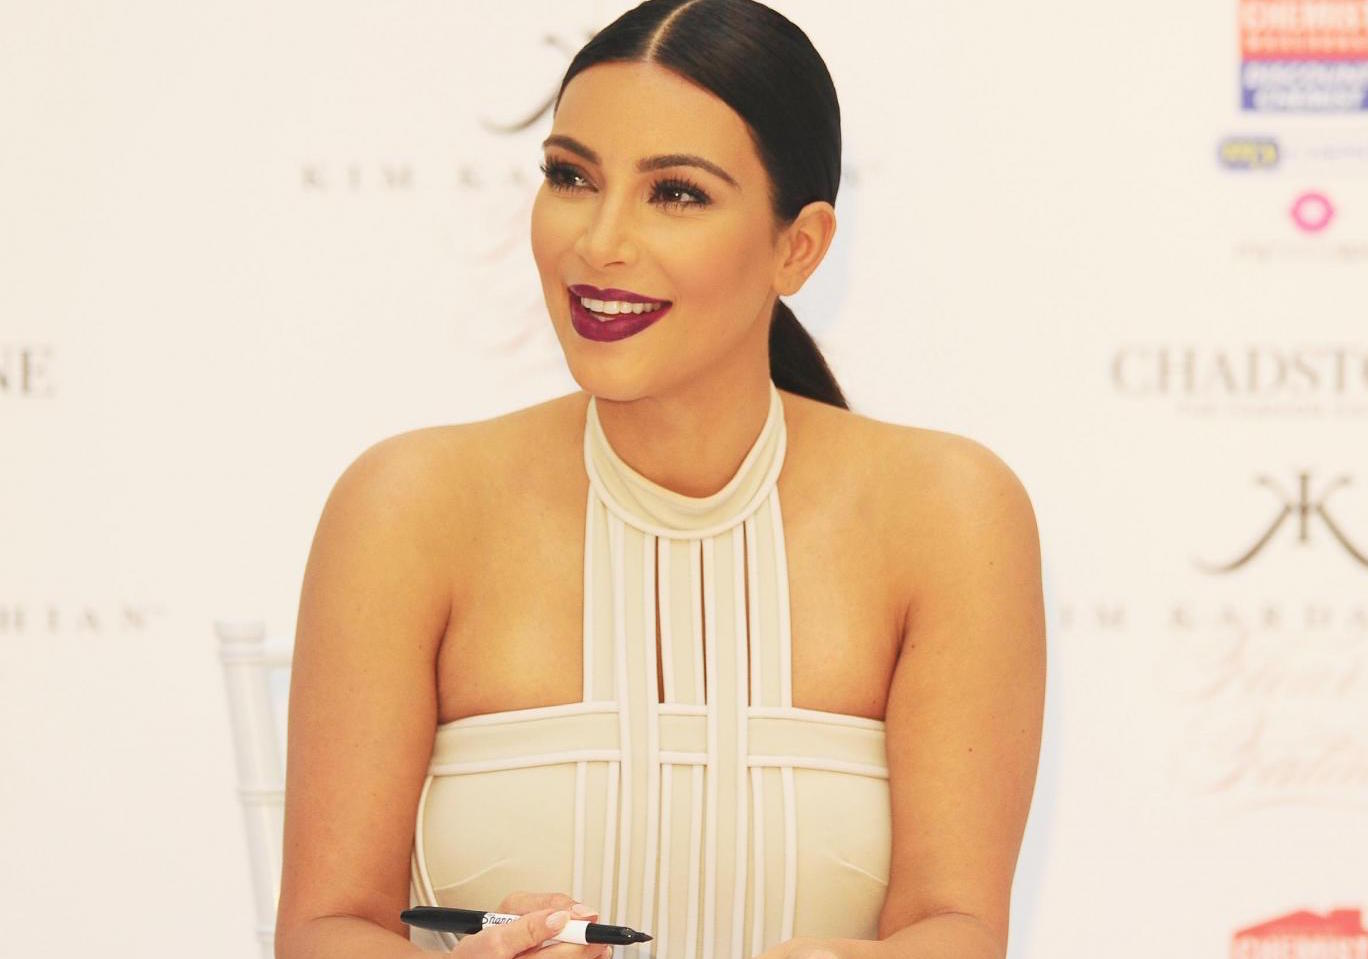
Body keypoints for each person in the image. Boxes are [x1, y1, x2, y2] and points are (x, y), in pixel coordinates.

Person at [274, 1, 1046, 957]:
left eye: (675, 193)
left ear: (799, 246)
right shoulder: (406, 506)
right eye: (570, 177)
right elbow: (325, 926)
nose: (599, 242)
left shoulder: (952, 514)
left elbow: (957, 926)